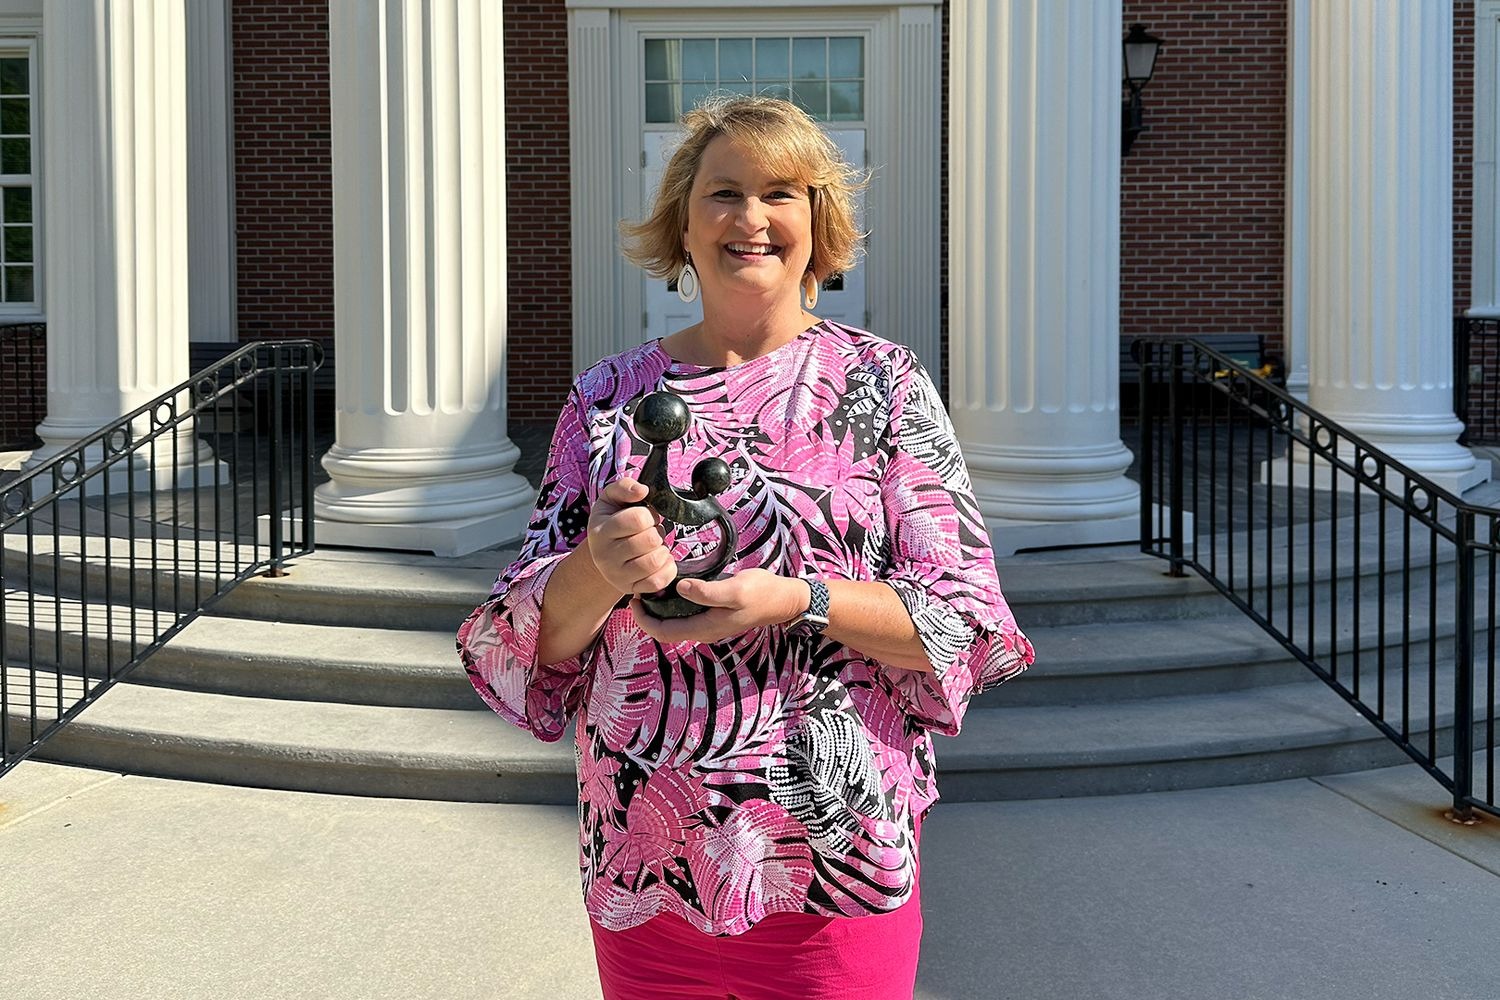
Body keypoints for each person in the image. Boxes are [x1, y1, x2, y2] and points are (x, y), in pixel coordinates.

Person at [457, 95, 1033, 1000]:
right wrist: (595, 572)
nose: (751, 219)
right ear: (683, 223)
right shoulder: (608, 399)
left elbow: (962, 625)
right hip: (646, 861)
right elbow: (526, 644)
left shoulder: (881, 385)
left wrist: (794, 599)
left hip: (832, 865)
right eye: (724, 193)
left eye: (783, 194)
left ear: (820, 223)